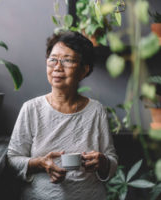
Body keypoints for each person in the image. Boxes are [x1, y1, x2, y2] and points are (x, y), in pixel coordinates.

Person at [7, 31, 118, 200]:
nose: (58, 67)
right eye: (53, 59)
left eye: (67, 60)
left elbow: (112, 162)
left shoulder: (96, 111)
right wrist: (41, 164)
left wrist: (102, 162)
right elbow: (13, 159)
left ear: (84, 70)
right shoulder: (31, 109)